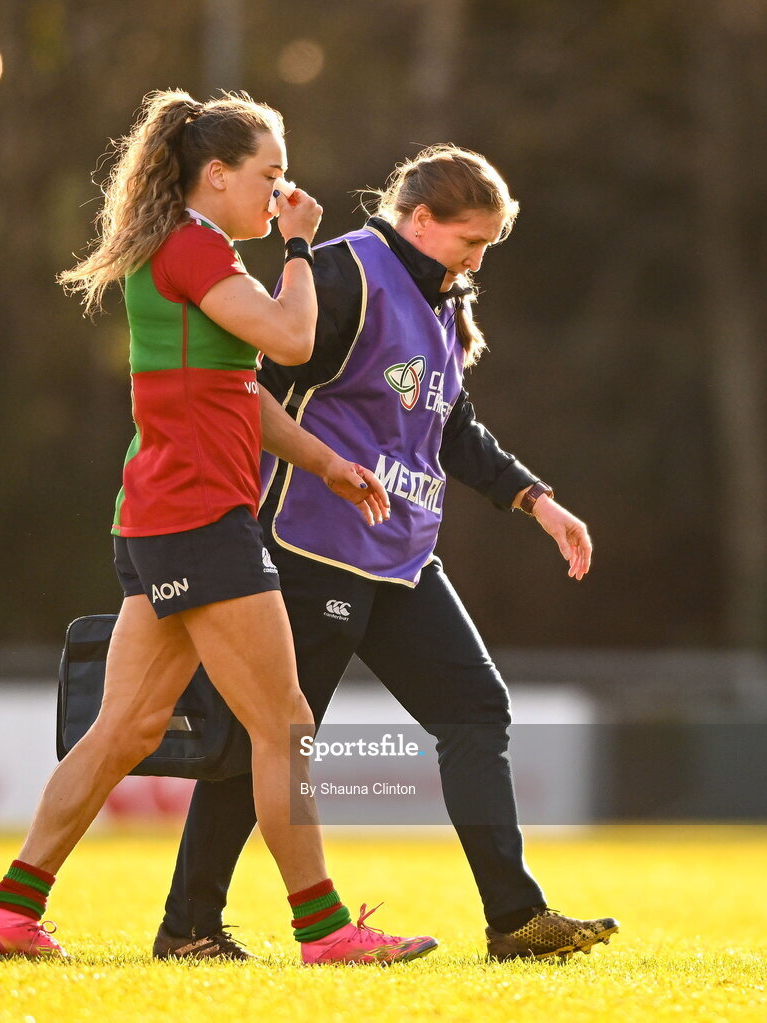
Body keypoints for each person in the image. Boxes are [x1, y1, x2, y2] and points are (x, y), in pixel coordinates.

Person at [0, 89, 438, 966]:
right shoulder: (194, 247)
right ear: (216, 176)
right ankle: (324, 929)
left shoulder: (195, 250)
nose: (281, 190)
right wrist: (301, 243)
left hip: (164, 516)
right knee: (283, 720)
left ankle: (9, 911)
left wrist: (324, 462)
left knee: (127, 727)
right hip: (198, 519)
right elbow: (291, 341)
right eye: (270, 174)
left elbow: (238, 388)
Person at [153, 144, 620, 963]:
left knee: (476, 708)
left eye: (487, 248)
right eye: (469, 242)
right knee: (273, 733)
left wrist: (539, 501)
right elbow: (243, 381)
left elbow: (453, 430)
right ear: (420, 219)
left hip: (403, 555)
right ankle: (189, 927)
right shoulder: (348, 273)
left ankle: (516, 921)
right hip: (311, 545)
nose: (477, 261)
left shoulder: (441, 300)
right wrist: (317, 468)